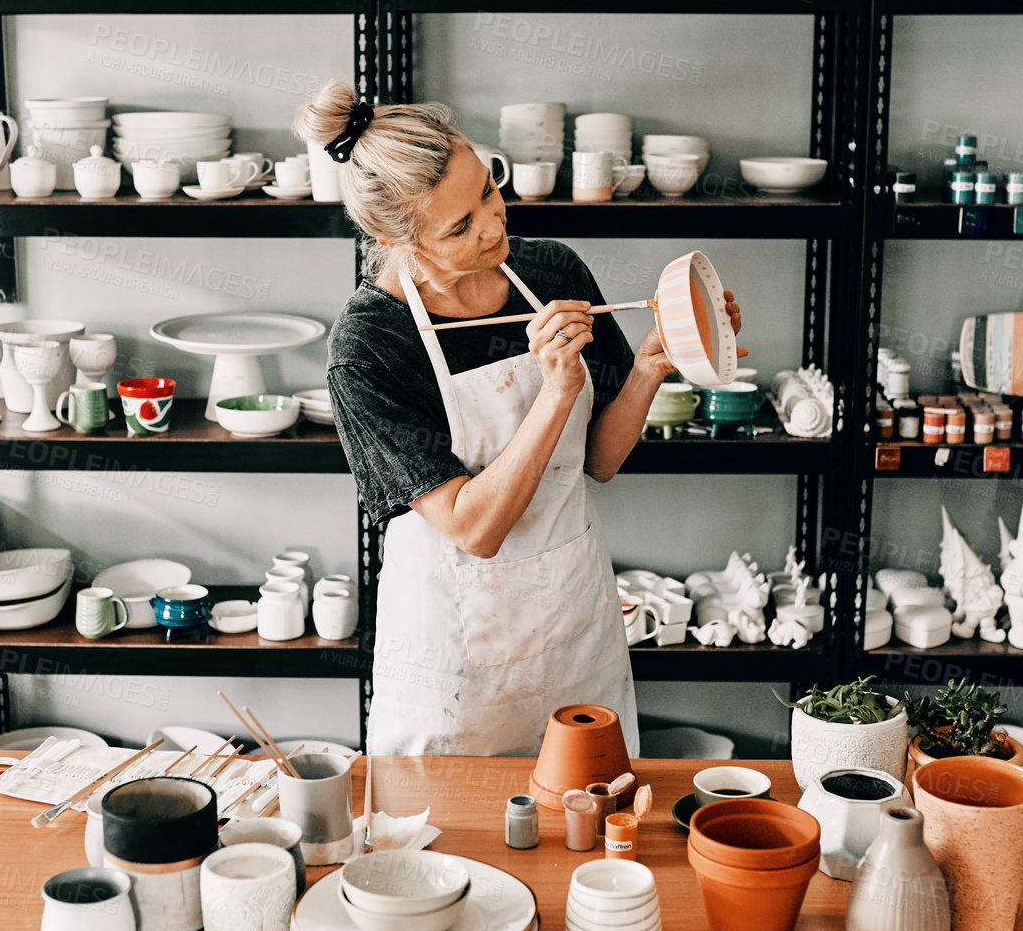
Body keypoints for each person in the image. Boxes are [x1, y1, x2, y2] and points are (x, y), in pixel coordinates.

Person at [296, 83, 744, 757]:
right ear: (395, 236)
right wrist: (555, 394)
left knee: (588, 818)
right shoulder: (370, 347)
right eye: (459, 225)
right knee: (449, 845)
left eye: (487, 188)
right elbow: (475, 528)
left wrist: (652, 365)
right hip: (456, 655)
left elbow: (601, 460)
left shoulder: (551, 268)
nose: (494, 224)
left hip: (572, 620)